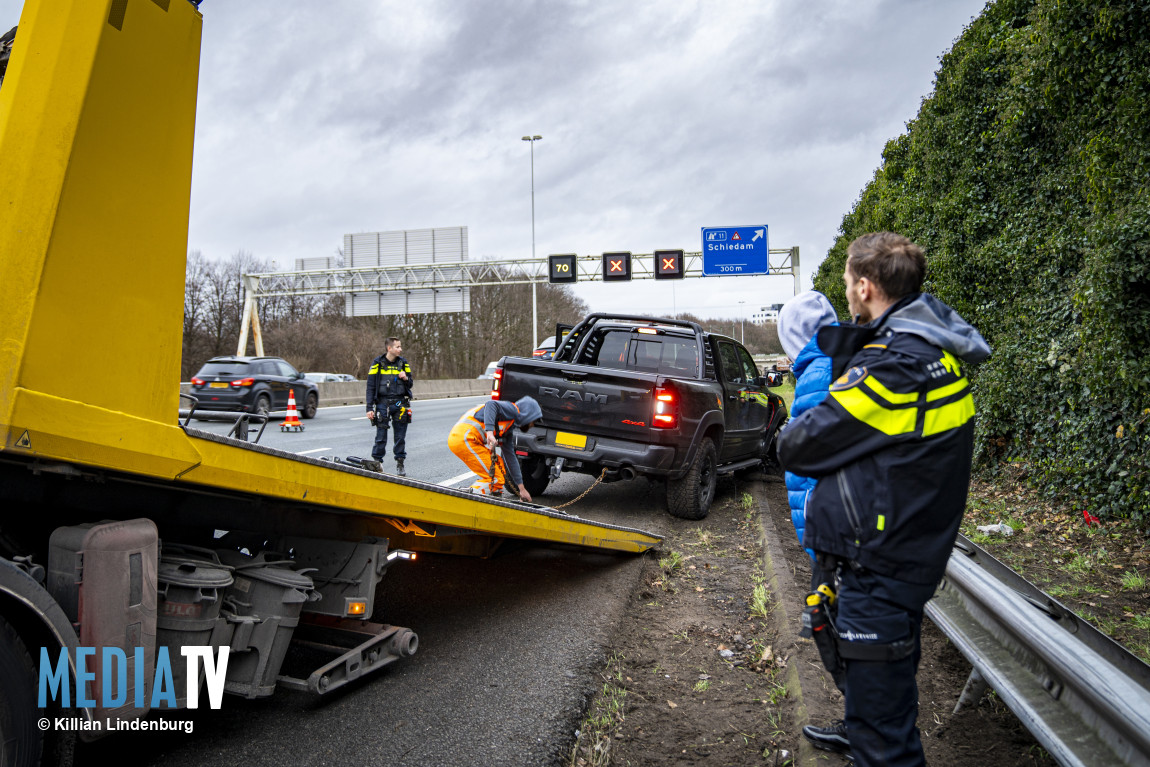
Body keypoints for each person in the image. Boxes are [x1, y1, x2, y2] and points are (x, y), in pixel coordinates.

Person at [777, 232, 990, 767]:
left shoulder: (892, 368)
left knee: (883, 741)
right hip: (906, 551)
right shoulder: (936, 352)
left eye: (848, 283)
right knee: (887, 701)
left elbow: (797, 444)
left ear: (866, 287)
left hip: (879, 564)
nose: (846, 294)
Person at [776, 291, 838, 563]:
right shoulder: (834, 364)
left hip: (829, 535)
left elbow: (817, 462)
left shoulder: (818, 376)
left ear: (794, 336)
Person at [448, 396, 542, 501]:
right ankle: (467, 498)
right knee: (496, 478)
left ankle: (494, 499)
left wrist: (522, 489)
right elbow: (491, 404)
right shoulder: (513, 409)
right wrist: (489, 433)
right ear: (528, 414)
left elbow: (511, 458)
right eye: (534, 420)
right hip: (464, 438)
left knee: (499, 467)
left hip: (467, 440)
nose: (532, 424)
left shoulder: (508, 429)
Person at [366, 337, 413, 476]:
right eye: (398, 347)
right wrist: (369, 408)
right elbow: (370, 386)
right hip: (382, 403)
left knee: (400, 436)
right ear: (389, 348)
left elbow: (410, 384)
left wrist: (405, 378)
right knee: (381, 436)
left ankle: (400, 463)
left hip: (399, 403)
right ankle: (377, 463)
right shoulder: (377, 363)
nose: (400, 349)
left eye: (400, 346)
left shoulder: (403, 363)